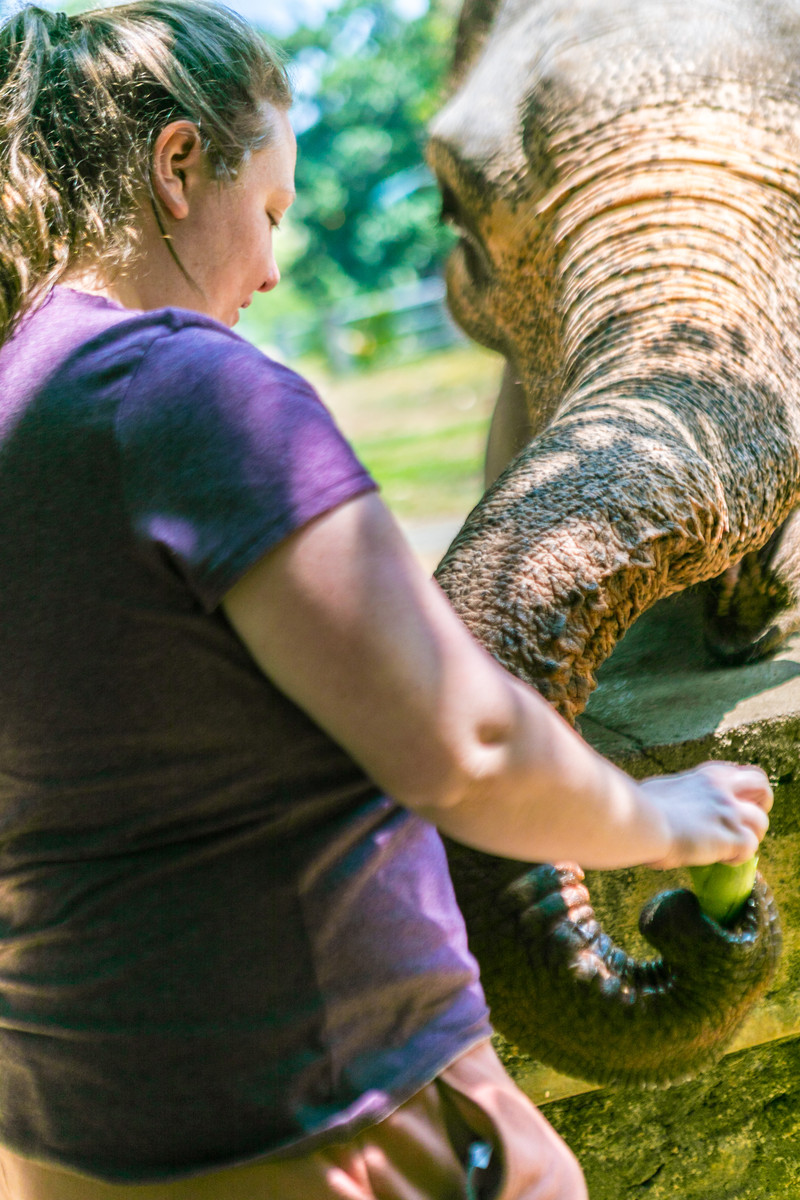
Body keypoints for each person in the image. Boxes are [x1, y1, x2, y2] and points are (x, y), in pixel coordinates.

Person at [0, 2, 773, 1197]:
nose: (266, 269)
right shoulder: (182, 391)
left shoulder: (22, 406)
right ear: (175, 166)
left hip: (73, 1147)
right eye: (266, 214)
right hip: (330, 1121)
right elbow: (461, 742)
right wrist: (665, 817)